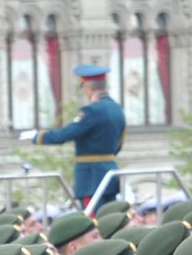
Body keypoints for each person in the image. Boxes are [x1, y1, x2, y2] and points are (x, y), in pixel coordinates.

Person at [21, 65, 126, 211]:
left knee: (93, 222)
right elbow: (119, 144)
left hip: (91, 176)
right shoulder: (117, 109)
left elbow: (65, 135)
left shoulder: (92, 111)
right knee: (111, 219)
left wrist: (38, 136)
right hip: (110, 170)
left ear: (89, 88)